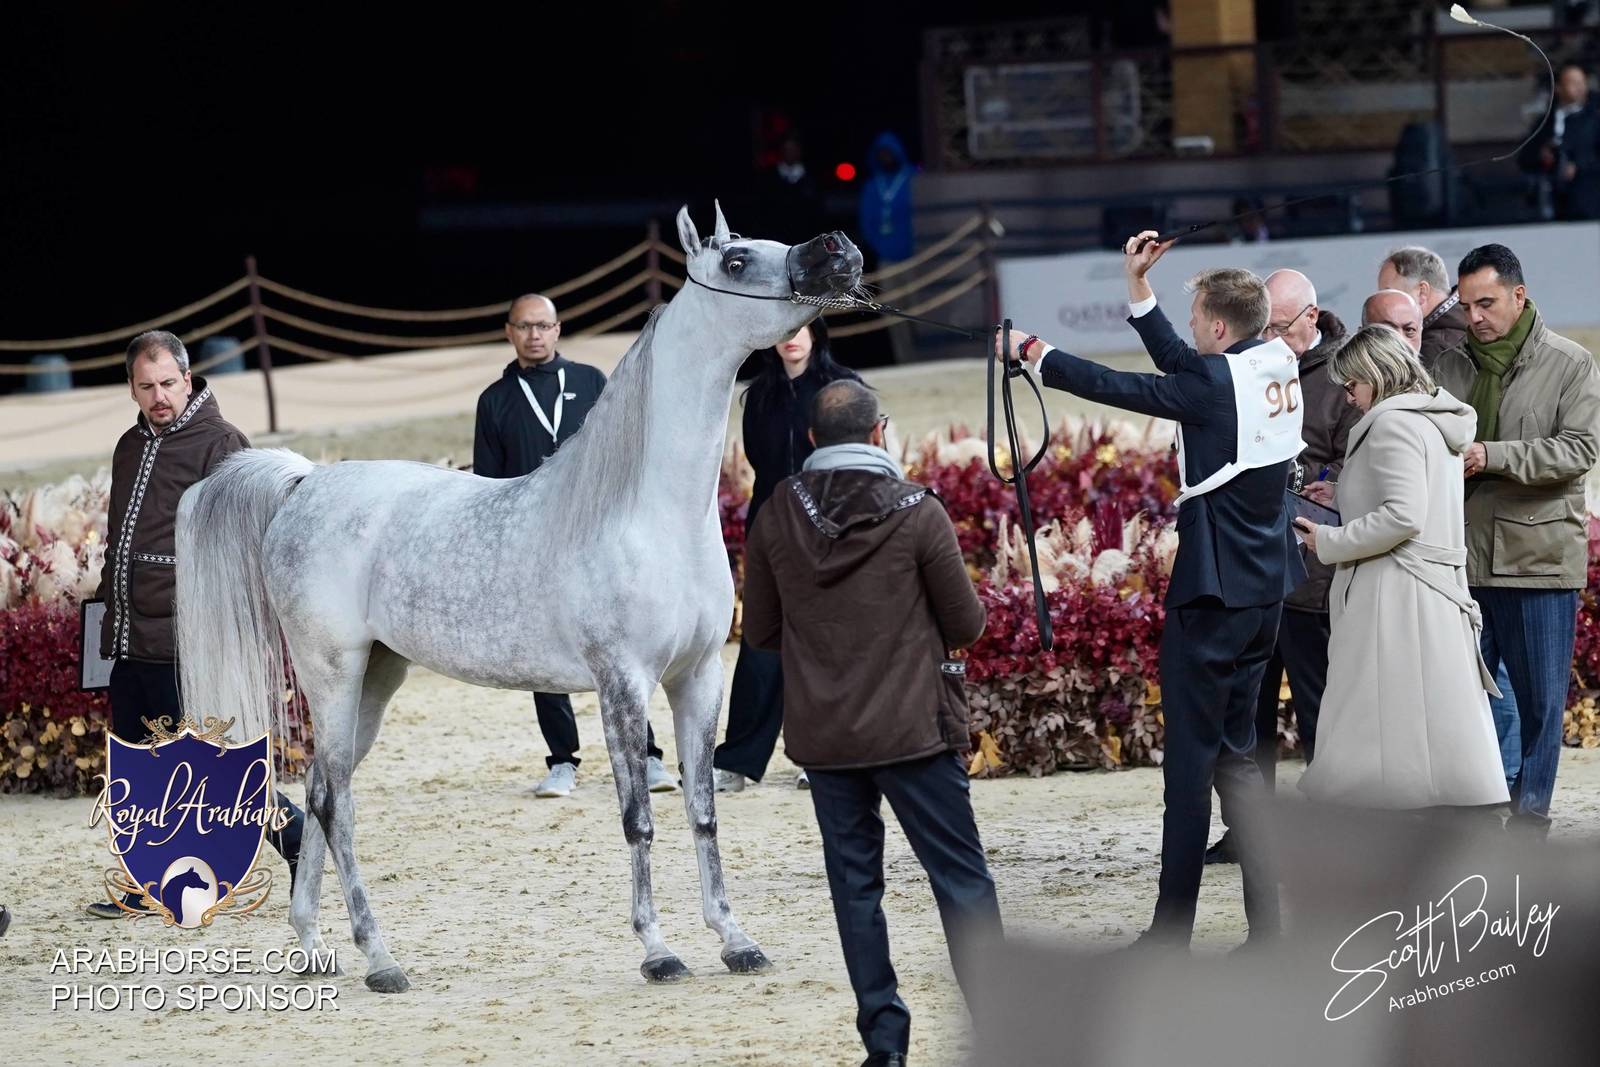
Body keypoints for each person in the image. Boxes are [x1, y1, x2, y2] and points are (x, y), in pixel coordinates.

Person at [1007, 231, 1295, 950]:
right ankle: (1268, 930)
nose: (1191, 328)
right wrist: (1142, 289)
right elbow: (1182, 366)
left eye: (1198, 317)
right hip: (1265, 590)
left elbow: (1128, 386)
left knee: (1190, 774)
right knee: (1239, 764)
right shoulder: (1270, 361)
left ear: (1220, 328)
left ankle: (1171, 935)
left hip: (1213, 595)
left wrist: (1036, 355)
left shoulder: (1212, 382)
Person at [742, 378, 1000, 1067]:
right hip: (914, 724)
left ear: (809, 439)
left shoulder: (777, 511)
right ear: (882, 431)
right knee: (962, 881)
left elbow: (762, 629)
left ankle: (884, 1044)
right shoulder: (918, 511)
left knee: (856, 890)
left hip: (827, 734)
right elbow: (967, 623)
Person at [86, 330, 304, 918]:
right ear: (131, 388)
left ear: (188, 377)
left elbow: (241, 547)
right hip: (132, 633)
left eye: (167, 383)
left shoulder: (223, 443)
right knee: (137, 761)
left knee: (214, 764)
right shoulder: (129, 445)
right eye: (145, 386)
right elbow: (119, 541)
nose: (158, 396)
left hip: (190, 635)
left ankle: (297, 838)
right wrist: (104, 623)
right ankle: (145, 880)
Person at [1293, 326, 1510, 810]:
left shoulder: (1392, 424)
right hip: (1422, 589)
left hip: (1397, 592)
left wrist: (1328, 539)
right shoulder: (1430, 419)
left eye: (1352, 384)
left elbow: (1403, 516)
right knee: (1425, 729)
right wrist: (1342, 494)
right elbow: (1413, 499)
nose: (1349, 397)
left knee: (1381, 727)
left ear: (1375, 374)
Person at [473, 293, 676, 798]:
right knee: (543, 648)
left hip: (599, 535)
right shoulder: (494, 401)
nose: (534, 335)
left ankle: (647, 754)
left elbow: (626, 450)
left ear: (558, 329)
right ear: (509, 331)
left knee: (622, 646)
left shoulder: (589, 382)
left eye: (543, 325)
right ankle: (562, 759)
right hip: (534, 540)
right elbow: (487, 483)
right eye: (524, 327)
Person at [1429, 244, 1600, 834]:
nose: (1475, 316)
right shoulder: (1450, 365)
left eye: (1488, 303)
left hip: (1538, 562)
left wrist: (1490, 456)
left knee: (1540, 705)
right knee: (1464, 703)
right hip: (1462, 562)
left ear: (1518, 296)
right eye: (1467, 303)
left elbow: (1580, 451)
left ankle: (1530, 821)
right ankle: (1473, 817)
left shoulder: (1570, 363)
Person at [1205, 270, 1356, 866]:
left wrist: (1316, 488)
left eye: (1276, 326)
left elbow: (1350, 468)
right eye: (1261, 324)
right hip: (1252, 572)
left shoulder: (1345, 377)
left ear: (1311, 319)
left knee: (1321, 713)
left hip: (1312, 577)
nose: (1264, 337)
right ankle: (1249, 832)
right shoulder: (1248, 367)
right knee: (1246, 717)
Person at [714, 319, 861, 793]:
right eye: (783, 327)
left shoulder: (844, 388)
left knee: (825, 643)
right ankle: (736, 760)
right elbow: (762, 463)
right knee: (761, 642)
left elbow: (857, 464)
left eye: (801, 327)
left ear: (818, 331)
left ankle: (821, 755)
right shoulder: (759, 395)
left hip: (833, 530)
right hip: (773, 526)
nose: (791, 336)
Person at [858, 132, 918, 365]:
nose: (886, 158)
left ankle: (922, 356)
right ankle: (904, 359)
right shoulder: (872, 186)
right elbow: (867, 224)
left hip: (914, 259)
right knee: (893, 313)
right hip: (886, 260)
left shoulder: (912, 179)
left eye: (889, 153)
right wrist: (881, 247)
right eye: (881, 154)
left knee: (917, 309)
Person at [1516, 61, 1600, 221]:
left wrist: (1578, 167)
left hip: (1588, 204)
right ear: (1559, 87)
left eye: (1582, 82)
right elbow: (1524, 159)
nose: (1580, 88)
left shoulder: (1594, 120)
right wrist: (1542, 155)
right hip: (1551, 204)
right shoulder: (1546, 121)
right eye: (1573, 83)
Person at [1378, 246, 1470, 365]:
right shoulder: (1466, 327)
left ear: (1422, 292)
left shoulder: (1433, 350)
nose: (1381, 304)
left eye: (1389, 294)